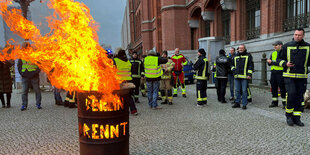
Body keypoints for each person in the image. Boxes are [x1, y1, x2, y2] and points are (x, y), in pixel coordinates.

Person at [278, 28, 310, 126]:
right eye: (296, 34)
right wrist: (285, 63)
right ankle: (289, 116)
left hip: (302, 76)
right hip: (289, 75)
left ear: (303, 35)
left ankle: (297, 117)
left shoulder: (308, 47)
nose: (297, 36)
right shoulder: (286, 46)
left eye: (299, 35)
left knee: (300, 97)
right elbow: (278, 59)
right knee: (291, 94)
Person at [17, 42, 42, 111]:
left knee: (37, 90)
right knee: (24, 91)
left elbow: (40, 66)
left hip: (34, 76)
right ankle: (24, 105)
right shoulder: (22, 56)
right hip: (25, 76)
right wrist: (22, 73)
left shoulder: (35, 55)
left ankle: (38, 104)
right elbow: (19, 65)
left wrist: (35, 72)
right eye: (24, 48)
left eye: (26, 47)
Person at [114, 49, 138, 115]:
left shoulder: (115, 61)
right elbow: (132, 70)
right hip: (128, 81)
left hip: (120, 82)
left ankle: (120, 111)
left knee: (118, 96)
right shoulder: (128, 62)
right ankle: (133, 110)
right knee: (129, 96)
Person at [231, 44, 254, 110]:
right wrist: (233, 70)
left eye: (242, 48)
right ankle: (237, 103)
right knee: (237, 90)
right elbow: (231, 64)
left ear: (244, 49)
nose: (240, 49)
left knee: (244, 91)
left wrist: (249, 74)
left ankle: (244, 104)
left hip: (245, 77)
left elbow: (251, 65)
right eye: (239, 48)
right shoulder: (235, 56)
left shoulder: (248, 56)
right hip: (237, 76)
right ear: (238, 49)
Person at [267, 41, 286, 108]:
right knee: (273, 87)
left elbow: (283, 63)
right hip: (273, 72)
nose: (274, 46)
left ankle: (284, 103)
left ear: (280, 45)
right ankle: (274, 102)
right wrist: (269, 62)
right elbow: (270, 63)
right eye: (274, 45)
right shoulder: (273, 53)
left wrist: (272, 62)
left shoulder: (284, 53)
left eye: (276, 45)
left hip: (281, 72)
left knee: (282, 88)